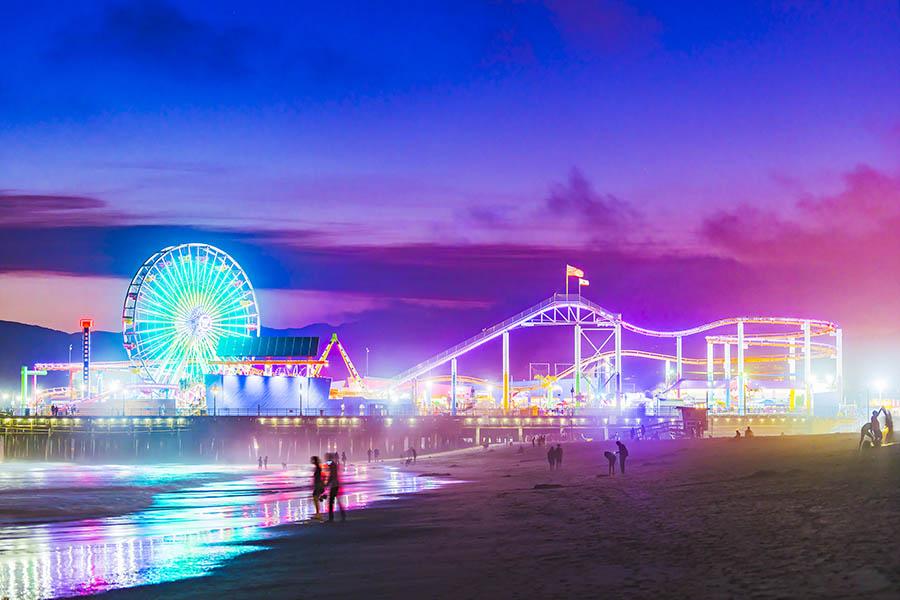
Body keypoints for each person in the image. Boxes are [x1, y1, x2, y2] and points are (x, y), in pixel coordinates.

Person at [326, 453, 346, 522]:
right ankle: (342, 515)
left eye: (327, 457)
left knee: (331, 502)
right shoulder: (333, 464)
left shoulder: (332, 465)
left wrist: (327, 484)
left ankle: (331, 518)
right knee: (336, 501)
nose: (326, 459)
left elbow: (332, 475)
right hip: (335, 485)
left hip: (334, 485)